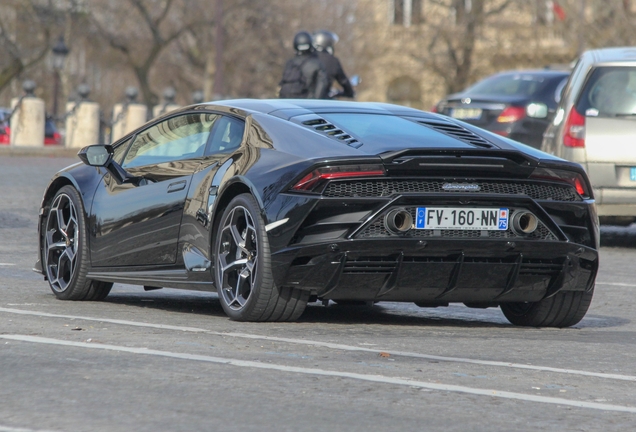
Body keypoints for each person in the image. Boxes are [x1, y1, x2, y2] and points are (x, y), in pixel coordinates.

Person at [279, 31, 329, 99]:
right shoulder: (317, 64)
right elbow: (321, 89)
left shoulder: (290, 63)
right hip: (306, 105)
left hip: (286, 103)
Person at [312, 30, 354, 99]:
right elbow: (343, 80)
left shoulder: (309, 58)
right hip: (322, 100)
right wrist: (350, 92)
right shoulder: (332, 60)